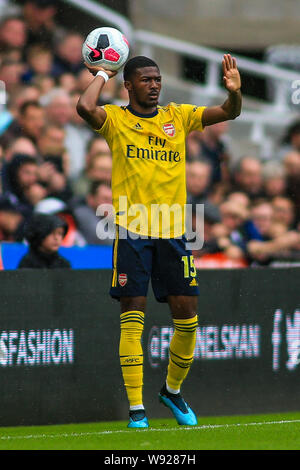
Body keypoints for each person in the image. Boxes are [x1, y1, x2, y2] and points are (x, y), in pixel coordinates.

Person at [77, 54, 242, 428]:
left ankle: (171, 391)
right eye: (146, 80)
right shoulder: (116, 121)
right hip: (132, 230)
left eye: (157, 79)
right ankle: (137, 408)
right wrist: (103, 71)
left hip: (173, 231)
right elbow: (85, 106)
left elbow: (229, 113)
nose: (154, 85)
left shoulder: (177, 116)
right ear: (129, 85)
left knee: (187, 319)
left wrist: (234, 94)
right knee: (133, 318)